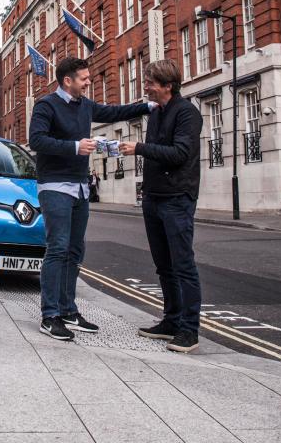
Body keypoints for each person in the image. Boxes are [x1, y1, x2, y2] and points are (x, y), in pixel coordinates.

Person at [29, 57, 153, 341]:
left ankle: (68, 311)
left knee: (74, 251)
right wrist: (74, 146)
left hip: (80, 188)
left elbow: (112, 112)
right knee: (57, 248)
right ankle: (50, 316)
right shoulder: (46, 105)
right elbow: (36, 140)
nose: (88, 81)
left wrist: (147, 106)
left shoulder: (85, 105)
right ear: (67, 80)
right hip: (55, 186)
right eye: (84, 78)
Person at [119, 59, 203, 353]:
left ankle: (189, 330)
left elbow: (180, 153)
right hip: (153, 197)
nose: (146, 86)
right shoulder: (155, 114)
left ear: (168, 85)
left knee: (183, 265)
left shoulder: (187, 113)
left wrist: (139, 148)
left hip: (177, 198)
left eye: (151, 82)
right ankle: (171, 320)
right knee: (163, 266)